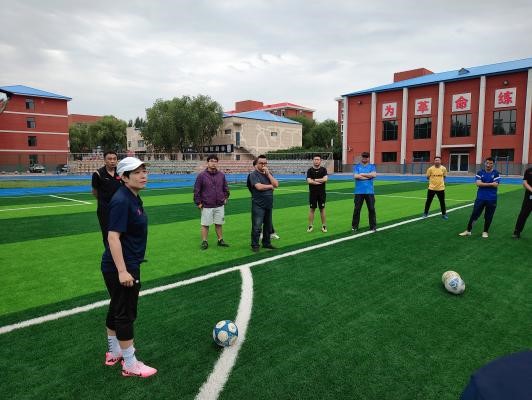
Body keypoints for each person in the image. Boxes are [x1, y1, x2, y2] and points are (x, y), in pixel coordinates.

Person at [101, 156, 157, 378]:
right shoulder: (122, 200)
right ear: (124, 177)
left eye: (144, 171)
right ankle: (130, 364)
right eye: (137, 172)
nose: (143, 175)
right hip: (122, 266)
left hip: (123, 263)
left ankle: (114, 352)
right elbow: (113, 237)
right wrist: (123, 271)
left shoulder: (132, 196)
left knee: (116, 307)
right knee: (125, 313)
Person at [193, 154, 230, 250]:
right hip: (206, 205)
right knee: (205, 224)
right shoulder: (201, 176)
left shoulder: (221, 175)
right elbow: (197, 190)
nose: (213, 163)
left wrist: (226, 197)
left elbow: (225, 188)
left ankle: (220, 240)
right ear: (207, 162)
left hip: (219, 204)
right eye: (211, 161)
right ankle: (204, 241)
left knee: (219, 223)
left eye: (215, 161)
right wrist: (198, 203)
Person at [459, 157, 501, 238]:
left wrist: (483, 183)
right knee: (474, 214)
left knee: (488, 216)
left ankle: (485, 231)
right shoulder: (480, 172)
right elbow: (478, 184)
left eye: (490, 163)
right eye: (487, 163)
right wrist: (490, 184)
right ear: (485, 163)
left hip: (491, 198)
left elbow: (496, 184)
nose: (488, 165)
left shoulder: (496, 173)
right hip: (480, 198)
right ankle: (468, 231)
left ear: (493, 164)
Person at [249, 155, 279, 252]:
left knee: (268, 226)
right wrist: (270, 186)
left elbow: (276, 184)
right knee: (257, 226)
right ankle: (255, 245)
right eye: (261, 163)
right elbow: (259, 187)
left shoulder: (268, 173)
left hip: (268, 204)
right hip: (258, 204)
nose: (263, 165)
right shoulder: (253, 174)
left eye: (265, 163)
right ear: (257, 164)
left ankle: (266, 243)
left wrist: (268, 174)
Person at [91, 151, 121, 247]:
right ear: (104, 160)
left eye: (114, 159)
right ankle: (109, 253)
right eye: (109, 159)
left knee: (121, 232)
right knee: (107, 234)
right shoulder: (98, 174)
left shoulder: (121, 172)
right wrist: (104, 201)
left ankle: (121, 252)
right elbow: (95, 192)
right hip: (104, 209)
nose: (112, 161)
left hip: (119, 208)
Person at [352, 151, 377, 232]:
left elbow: (374, 175)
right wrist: (368, 176)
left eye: (366, 157)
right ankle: (355, 226)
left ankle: (373, 226)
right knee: (357, 209)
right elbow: (356, 176)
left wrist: (362, 174)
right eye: (363, 156)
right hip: (359, 192)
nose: (364, 158)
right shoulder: (357, 166)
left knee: (371, 209)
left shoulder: (372, 166)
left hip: (369, 191)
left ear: (368, 158)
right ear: (361, 157)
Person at [306, 154, 328, 232]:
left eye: (318, 159)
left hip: (321, 193)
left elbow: (325, 179)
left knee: (322, 209)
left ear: (320, 161)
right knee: (312, 209)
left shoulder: (323, 170)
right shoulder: (309, 170)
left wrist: (314, 180)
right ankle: (310, 226)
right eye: (315, 159)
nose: (316, 161)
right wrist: (319, 181)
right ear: (313, 160)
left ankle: (324, 226)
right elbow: (309, 181)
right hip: (313, 193)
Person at [512, 166, 532, 238]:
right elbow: (525, 183)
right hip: (529, 197)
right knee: (523, 214)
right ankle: (517, 232)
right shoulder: (528, 171)